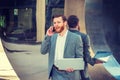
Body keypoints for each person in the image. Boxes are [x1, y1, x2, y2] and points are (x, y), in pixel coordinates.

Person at [40, 15, 83, 80]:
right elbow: (43, 51)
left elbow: (79, 58)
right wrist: (48, 36)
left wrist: (73, 67)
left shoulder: (76, 38)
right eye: (54, 23)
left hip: (69, 75)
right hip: (55, 73)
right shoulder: (52, 37)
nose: (56, 25)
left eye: (58, 22)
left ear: (65, 23)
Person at [67, 15, 103, 80]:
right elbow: (87, 58)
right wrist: (96, 61)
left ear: (67, 24)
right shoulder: (84, 37)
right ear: (78, 24)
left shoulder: (64, 36)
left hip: (66, 71)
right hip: (81, 72)